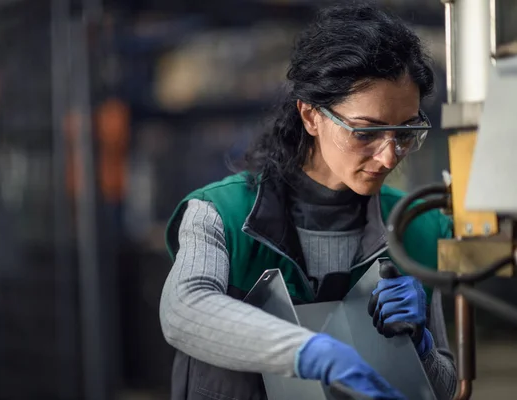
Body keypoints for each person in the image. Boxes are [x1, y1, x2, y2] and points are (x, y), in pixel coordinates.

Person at [159, 4, 457, 400]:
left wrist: (419, 345)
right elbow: (185, 310)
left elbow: (446, 388)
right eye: (366, 133)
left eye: (405, 132)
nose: (389, 157)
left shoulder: (415, 227)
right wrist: (309, 351)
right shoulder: (221, 215)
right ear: (311, 115)